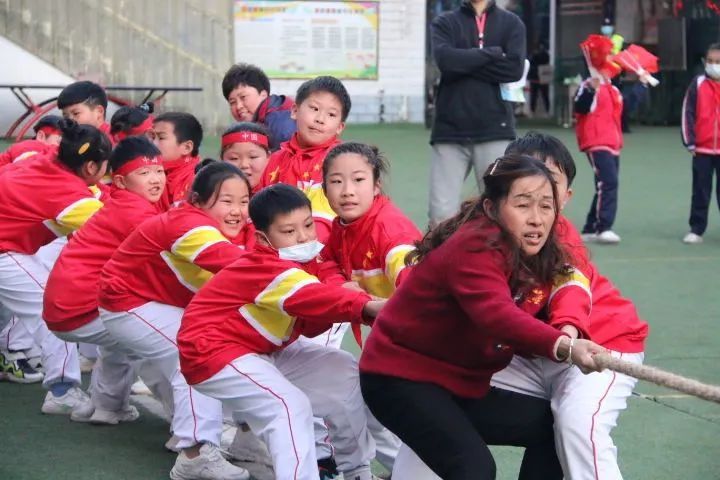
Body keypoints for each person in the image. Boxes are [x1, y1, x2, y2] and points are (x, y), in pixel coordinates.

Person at [360, 155, 608, 480]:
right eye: (523, 205)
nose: (537, 219)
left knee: (552, 428)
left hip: (457, 382)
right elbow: (497, 315)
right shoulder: (475, 246)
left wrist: (569, 327)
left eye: (546, 206)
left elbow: (565, 287)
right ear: (491, 208)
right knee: (473, 469)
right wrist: (565, 345)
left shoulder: (535, 249)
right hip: (397, 380)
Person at [177, 183, 383, 480]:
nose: (303, 236)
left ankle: (357, 472)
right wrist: (369, 306)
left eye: (308, 225)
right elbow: (311, 297)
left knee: (342, 371)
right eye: (288, 231)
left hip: (258, 351)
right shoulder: (262, 264)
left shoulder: (301, 261)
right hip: (212, 352)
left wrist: (352, 301)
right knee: (289, 407)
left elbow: (310, 320)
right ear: (263, 237)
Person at [490, 132, 649, 480]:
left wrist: (568, 333)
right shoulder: (486, 228)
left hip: (598, 347)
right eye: (525, 178)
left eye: (549, 182)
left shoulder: (561, 236)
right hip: (538, 353)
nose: (537, 190)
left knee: (578, 425)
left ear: (566, 196)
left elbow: (570, 286)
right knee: (438, 386)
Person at [98, 161, 253, 480]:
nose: (237, 210)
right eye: (226, 201)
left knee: (196, 347)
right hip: (128, 305)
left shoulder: (195, 219)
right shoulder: (190, 225)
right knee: (199, 351)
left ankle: (204, 434)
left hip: (143, 302)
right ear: (197, 199)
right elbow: (241, 269)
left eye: (244, 201)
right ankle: (196, 452)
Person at [43, 136, 166, 425]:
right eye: (144, 173)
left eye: (159, 171)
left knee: (124, 339)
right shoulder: (136, 213)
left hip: (66, 307)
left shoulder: (120, 202)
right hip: (79, 309)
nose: (155, 179)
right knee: (161, 342)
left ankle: (105, 405)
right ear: (121, 181)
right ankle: (194, 436)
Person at [0, 119, 110, 413]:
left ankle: (13, 354)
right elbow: (116, 229)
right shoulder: (67, 193)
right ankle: (62, 391)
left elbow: (96, 195)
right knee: (49, 308)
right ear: (90, 167)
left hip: (10, 245)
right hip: (3, 251)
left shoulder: (46, 158)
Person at [428, 0, 526, 227]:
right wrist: (492, 53)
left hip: (495, 129)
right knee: (441, 214)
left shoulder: (512, 23)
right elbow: (446, 61)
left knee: (499, 212)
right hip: (449, 131)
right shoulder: (445, 22)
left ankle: (496, 263)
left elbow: (513, 69)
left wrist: (464, 62)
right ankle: (442, 262)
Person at [320, 142, 422, 348]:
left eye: (358, 180)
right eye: (337, 181)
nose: (347, 191)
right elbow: (326, 262)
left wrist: (365, 301)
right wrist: (341, 286)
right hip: (392, 328)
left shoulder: (390, 231)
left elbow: (417, 286)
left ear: (376, 186)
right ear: (324, 189)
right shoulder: (342, 227)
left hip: (422, 329)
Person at [259, 76, 351, 242]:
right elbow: (259, 213)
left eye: (331, 114)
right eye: (314, 109)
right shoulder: (275, 160)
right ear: (294, 111)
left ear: (340, 127)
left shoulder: (341, 163)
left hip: (322, 255)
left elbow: (327, 221)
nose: (320, 119)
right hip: (277, 253)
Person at [574, 37, 624, 244]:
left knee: (603, 184)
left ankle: (590, 226)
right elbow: (580, 107)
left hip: (613, 143)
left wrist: (643, 85)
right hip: (596, 142)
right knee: (609, 182)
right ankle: (604, 227)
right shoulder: (588, 85)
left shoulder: (614, 89)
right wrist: (590, 90)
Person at [681, 43, 720, 244]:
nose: (713, 65)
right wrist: (690, 143)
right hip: (702, 149)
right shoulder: (697, 84)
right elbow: (687, 113)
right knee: (700, 191)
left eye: (718, 62)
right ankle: (696, 229)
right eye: (710, 61)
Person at [222, 63, 296, 151]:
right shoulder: (259, 122)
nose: (238, 106)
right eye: (232, 102)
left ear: (263, 95)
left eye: (243, 97)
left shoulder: (280, 124)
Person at [152, 112, 203, 210]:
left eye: (161, 138)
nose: (153, 143)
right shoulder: (148, 172)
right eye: (153, 137)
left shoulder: (198, 180)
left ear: (186, 147)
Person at [220, 122, 271, 193]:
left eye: (253, 157)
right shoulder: (213, 196)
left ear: (268, 157)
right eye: (234, 158)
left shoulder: (278, 194)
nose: (244, 165)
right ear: (221, 161)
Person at [528, 42, 550, 116]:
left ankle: (533, 111)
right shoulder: (544, 55)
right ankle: (544, 111)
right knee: (543, 95)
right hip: (538, 77)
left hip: (538, 77)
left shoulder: (535, 55)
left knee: (536, 95)